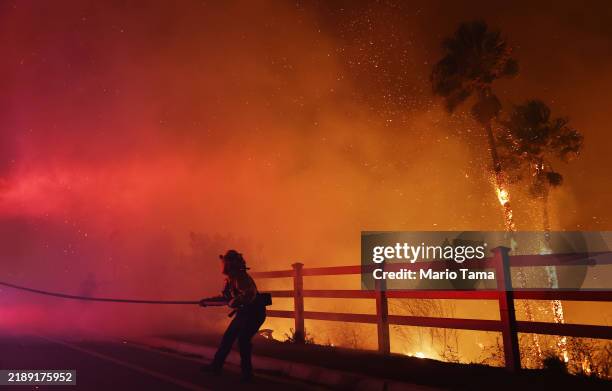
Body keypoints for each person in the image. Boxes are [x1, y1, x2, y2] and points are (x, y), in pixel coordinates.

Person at [199, 250, 267, 382]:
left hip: (254, 313)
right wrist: (206, 301)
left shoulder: (240, 278)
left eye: (225, 262)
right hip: (244, 312)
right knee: (228, 338)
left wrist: (236, 301)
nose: (222, 265)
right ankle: (216, 367)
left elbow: (249, 294)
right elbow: (225, 298)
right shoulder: (231, 279)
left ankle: (247, 374)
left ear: (230, 264)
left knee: (243, 340)